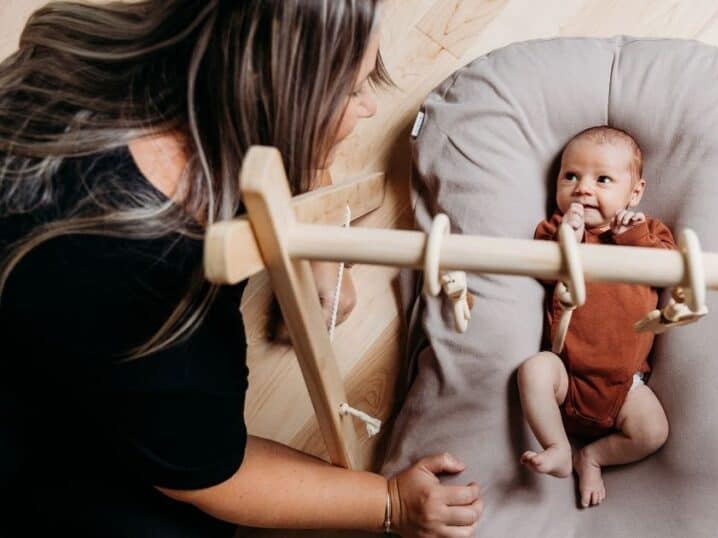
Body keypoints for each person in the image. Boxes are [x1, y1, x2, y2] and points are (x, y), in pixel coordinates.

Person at [0, 1, 482, 536]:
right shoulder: (148, 281)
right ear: (279, 96)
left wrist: (317, 233)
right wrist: (390, 502)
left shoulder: (105, 46)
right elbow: (208, 473)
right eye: (351, 90)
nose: (369, 105)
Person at [517, 126, 675, 508]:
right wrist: (566, 241)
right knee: (533, 371)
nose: (583, 189)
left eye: (602, 180)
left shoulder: (648, 233)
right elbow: (541, 271)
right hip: (566, 375)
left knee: (653, 431)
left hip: (624, 387)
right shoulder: (554, 229)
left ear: (634, 192)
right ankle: (557, 446)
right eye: (571, 176)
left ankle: (593, 457)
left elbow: (668, 271)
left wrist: (631, 237)